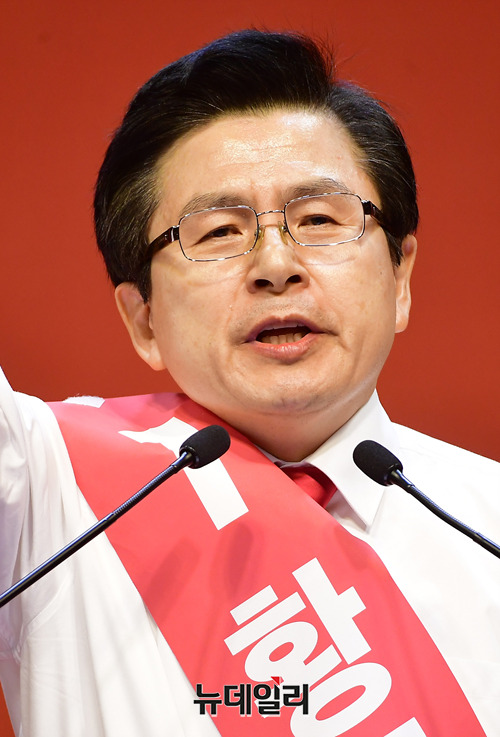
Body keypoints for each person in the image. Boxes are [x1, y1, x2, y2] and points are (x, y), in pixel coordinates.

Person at [1, 29, 499, 737]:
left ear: (401, 279)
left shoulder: (488, 527)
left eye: (319, 219)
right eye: (218, 233)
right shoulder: (44, 485)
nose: (275, 266)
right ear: (143, 319)